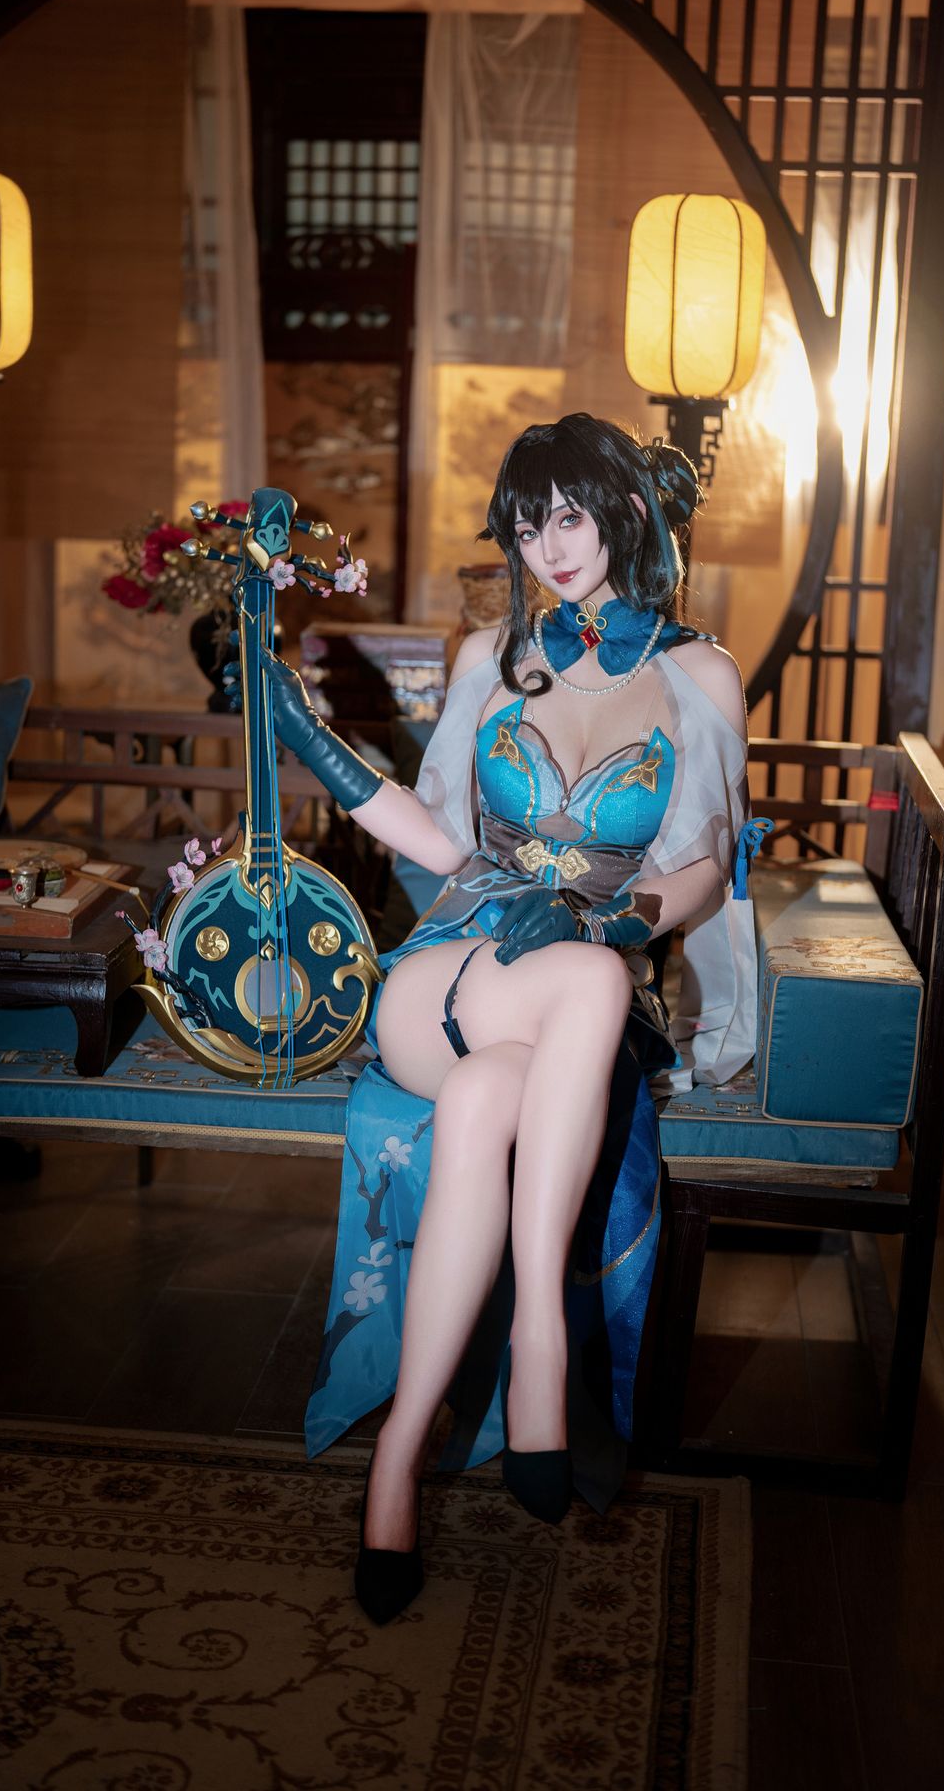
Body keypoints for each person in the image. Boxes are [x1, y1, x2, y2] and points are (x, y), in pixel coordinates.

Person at [262, 412, 765, 1624]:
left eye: (570, 517)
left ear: (627, 512)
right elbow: (441, 841)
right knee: (584, 988)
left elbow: (705, 864)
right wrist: (306, 734)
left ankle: (396, 1467)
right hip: (447, 979)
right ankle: (544, 1334)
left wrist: (617, 918)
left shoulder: (699, 675)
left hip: (560, 1021)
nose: (549, 548)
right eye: (529, 527)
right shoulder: (494, 654)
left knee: (502, 1088)